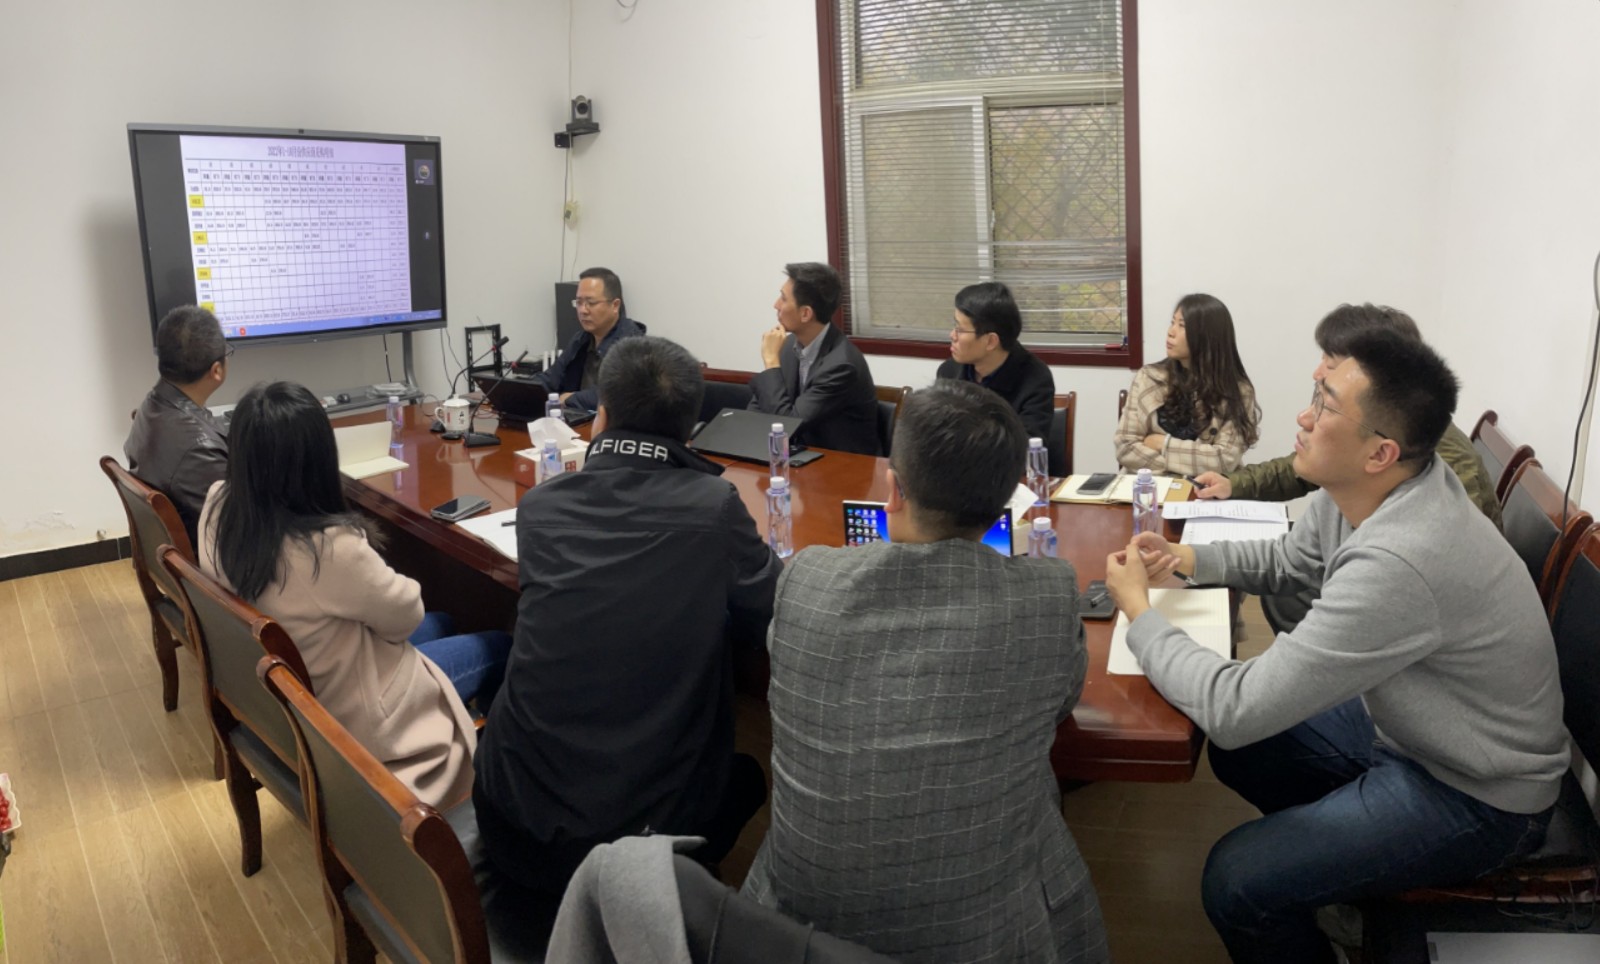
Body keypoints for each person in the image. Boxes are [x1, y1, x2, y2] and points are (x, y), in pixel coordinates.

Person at [1104, 329, 1567, 964]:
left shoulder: (1403, 557)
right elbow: (1290, 560)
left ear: (1380, 451)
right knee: (1245, 750)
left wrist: (1139, 612)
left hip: (1478, 794)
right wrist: (1186, 558)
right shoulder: (1370, 490)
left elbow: (1235, 707)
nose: (1303, 416)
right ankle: (1346, 880)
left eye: (1324, 405)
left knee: (1236, 881)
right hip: (1413, 735)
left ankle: (1339, 884)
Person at [743, 379, 1108, 964]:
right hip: (983, 935)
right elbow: (1061, 699)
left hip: (797, 922)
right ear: (1008, 498)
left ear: (893, 490)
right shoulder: (1045, 594)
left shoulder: (806, 579)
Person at [475, 336, 780, 896]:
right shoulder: (713, 507)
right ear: (691, 429)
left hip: (513, 821)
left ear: (602, 416)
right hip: (639, 861)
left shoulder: (540, 507)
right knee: (748, 775)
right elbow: (773, 606)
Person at [198, 381, 511, 809]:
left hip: (297, 688)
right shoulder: (325, 547)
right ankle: (492, 782)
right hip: (356, 718)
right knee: (500, 644)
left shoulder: (218, 505)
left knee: (445, 620)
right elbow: (405, 616)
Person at [1190, 303, 1503, 633]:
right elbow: (1289, 531)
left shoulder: (1431, 479)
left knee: (1287, 594)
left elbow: (1443, 567)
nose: (1318, 373)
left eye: (1331, 364)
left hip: (1413, 607)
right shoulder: (1359, 465)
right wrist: (1234, 485)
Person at [1114, 293, 1259, 475]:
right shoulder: (1149, 377)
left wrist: (1162, 444)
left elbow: (1223, 460)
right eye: (1172, 322)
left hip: (1206, 489)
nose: (1171, 331)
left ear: (1207, 336)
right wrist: (1182, 469)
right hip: (1149, 486)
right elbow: (1125, 447)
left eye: (1182, 326)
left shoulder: (1238, 391)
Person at [747, 262, 880, 456]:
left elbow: (788, 425)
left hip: (841, 464)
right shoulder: (789, 345)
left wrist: (770, 361)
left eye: (783, 298)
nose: (776, 305)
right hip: (799, 455)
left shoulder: (841, 366)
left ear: (805, 314)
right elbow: (760, 404)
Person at [125, 305, 231, 547]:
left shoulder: (152, 405)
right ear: (216, 370)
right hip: (212, 559)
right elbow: (238, 531)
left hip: (174, 550)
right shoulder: (200, 451)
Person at [936, 281, 1055, 442]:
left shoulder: (1035, 379)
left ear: (991, 341)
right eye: (954, 326)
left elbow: (1026, 446)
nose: (952, 335)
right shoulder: (949, 371)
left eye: (961, 330)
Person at [537, 266, 645, 411]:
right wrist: (519, 390)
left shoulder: (633, 345)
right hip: (578, 419)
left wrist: (569, 399)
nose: (583, 310)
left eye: (591, 303)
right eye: (579, 302)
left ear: (615, 305)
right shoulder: (581, 339)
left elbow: (613, 395)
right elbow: (551, 379)